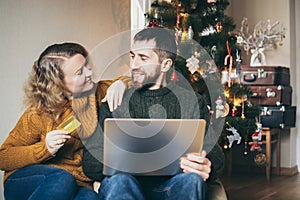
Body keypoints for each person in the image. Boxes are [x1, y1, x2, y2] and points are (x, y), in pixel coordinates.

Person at [82, 28, 225, 199]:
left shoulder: (191, 101)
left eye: (143, 58)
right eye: (133, 56)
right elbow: (89, 162)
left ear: (165, 65)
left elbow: (214, 152)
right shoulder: (116, 99)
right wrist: (117, 162)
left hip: (172, 186)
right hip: (127, 184)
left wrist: (206, 163)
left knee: (192, 180)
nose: (133, 65)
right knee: (119, 181)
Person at [0, 42, 129, 200]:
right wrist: (44, 148)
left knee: (90, 198)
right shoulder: (39, 113)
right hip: (29, 180)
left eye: (87, 66)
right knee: (61, 179)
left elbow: (136, 80)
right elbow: (3, 157)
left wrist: (121, 83)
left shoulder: (97, 92)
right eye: (80, 72)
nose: (89, 73)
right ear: (58, 82)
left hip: (78, 183)